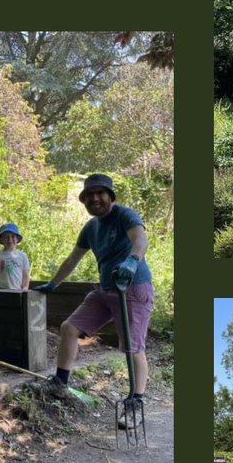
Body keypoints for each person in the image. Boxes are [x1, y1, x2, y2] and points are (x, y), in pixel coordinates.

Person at [33, 175, 151, 422]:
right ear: (84, 201)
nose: (95, 199)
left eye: (100, 193)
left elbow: (139, 239)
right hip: (106, 289)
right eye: (89, 196)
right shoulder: (91, 227)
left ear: (110, 196)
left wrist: (132, 260)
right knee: (69, 328)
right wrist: (54, 283)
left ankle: (135, 404)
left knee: (133, 348)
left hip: (132, 288)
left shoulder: (124, 216)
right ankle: (60, 384)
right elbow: (73, 259)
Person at [0, 223, 31, 291]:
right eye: (6, 237)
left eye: (13, 237)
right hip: (0, 290)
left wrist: (25, 288)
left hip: (17, 290)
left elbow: (26, 275)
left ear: (17, 239)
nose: (10, 240)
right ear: (2, 240)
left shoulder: (23, 256)